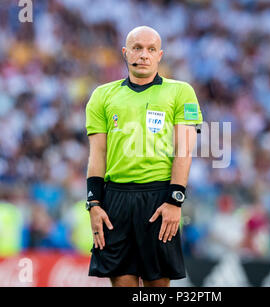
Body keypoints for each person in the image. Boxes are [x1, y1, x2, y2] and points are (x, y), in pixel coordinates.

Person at [85, 26, 203, 287]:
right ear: (125, 53)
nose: (144, 55)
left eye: (151, 49)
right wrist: (93, 203)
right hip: (115, 199)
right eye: (137, 48)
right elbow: (97, 154)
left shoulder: (182, 92)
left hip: (159, 198)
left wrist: (175, 199)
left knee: (156, 289)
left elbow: (183, 151)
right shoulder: (102, 96)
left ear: (160, 55)